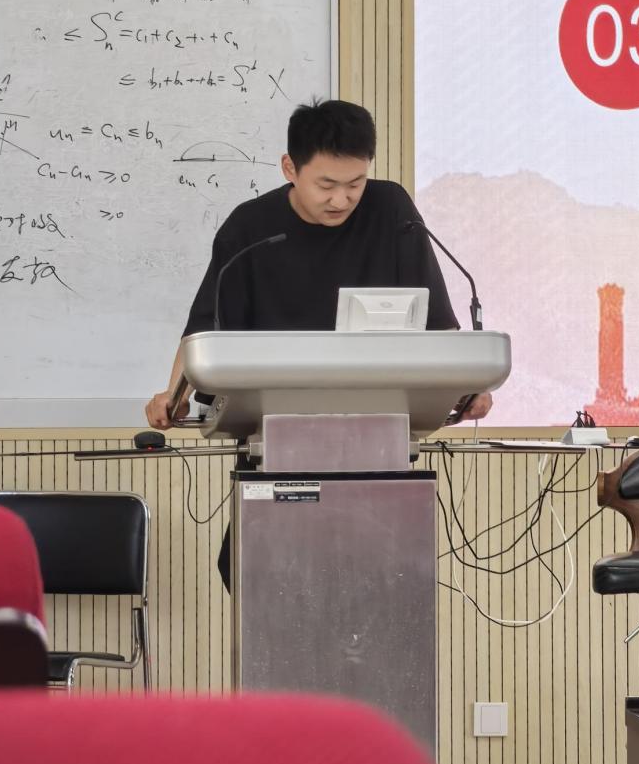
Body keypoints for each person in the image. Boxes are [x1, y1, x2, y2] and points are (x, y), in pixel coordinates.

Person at [146, 99, 492, 589]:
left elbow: (439, 326)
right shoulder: (250, 228)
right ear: (290, 168)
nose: (342, 200)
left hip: (378, 447)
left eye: (355, 184)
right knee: (259, 573)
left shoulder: (393, 210)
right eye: (326, 185)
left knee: (381, 577)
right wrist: (173, 395)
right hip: (276, 444)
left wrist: (468, 386)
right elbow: (204, 332)